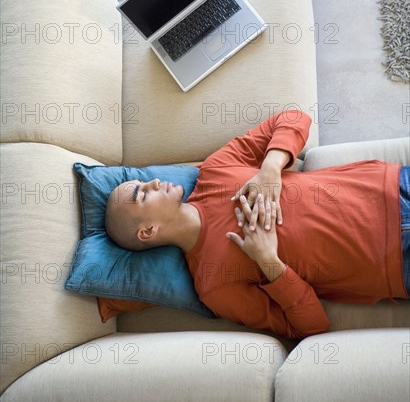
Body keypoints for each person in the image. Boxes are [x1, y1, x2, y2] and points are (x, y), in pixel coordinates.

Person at [105, 110, 410, 339]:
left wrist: (270, 169)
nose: (155, 181)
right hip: (396, 262)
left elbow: (294, 117)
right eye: (142, 193)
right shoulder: (214, 286)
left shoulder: (214, 171)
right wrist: (269, 261)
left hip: (391, 186)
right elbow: (311, 326)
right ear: (147, 232)